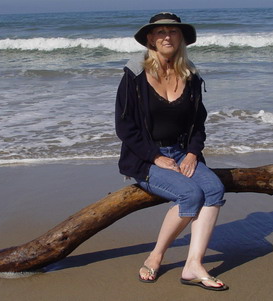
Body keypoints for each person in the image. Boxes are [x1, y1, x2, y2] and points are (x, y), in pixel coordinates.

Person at [115, 12, 228, 291]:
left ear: (181, 38)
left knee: (213, 189)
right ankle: (156, 255)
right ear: (151, 39)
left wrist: (191, 153)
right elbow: (124, 127)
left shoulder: (190, 75)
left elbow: (198, 124)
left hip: (181, 153)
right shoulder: (134, 75)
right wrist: (155, 157)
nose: (167, 36)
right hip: (145, 157)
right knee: (191, 193)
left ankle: (193, 265)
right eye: (161, 32)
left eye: (173, 32)